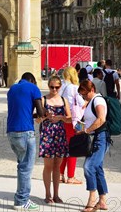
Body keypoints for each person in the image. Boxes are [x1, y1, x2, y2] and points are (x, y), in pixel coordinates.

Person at [7, 72, 45, 211]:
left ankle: (20, 198)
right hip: (25, 132)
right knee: (26, 168)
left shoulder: (12, 89)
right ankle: (22, 200)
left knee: (21, 165)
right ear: (33, 80)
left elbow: (22, 110)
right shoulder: (33, 88)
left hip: (11, 131)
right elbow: (41, 113)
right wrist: (45, 111)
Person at [37, 76, 71, 204]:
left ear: (60, 87)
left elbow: (70, 118)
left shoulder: (64, 100)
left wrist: (61, 117)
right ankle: (47, 194)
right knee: (48, 165)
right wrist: (46, 117)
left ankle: (56, 194)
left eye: (57, 87)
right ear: (48, 86)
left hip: (60, 134)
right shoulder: (43, 99)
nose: (54, 89)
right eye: (52, 87)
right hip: (47, 134)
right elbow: (37, 119)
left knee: (58, 165)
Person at [77, 79, 110, 212]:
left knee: (89, 166)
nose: (83, 97)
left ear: (92, 90)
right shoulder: (91, 101)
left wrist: (87, 130)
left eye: (84, 94)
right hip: (95, 138)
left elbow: (101, 119)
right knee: (97, 168)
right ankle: (102, 200)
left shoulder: (98, 100)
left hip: (100, 137)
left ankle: (92, 198)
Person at [58, 66, 85, 185]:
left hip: (61, 119)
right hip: (72, 120)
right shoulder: (74, 88)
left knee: (63, 148)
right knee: (72, 148)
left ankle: (60, 174)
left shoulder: (60, 87)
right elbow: (81, 103)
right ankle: (71, 176)